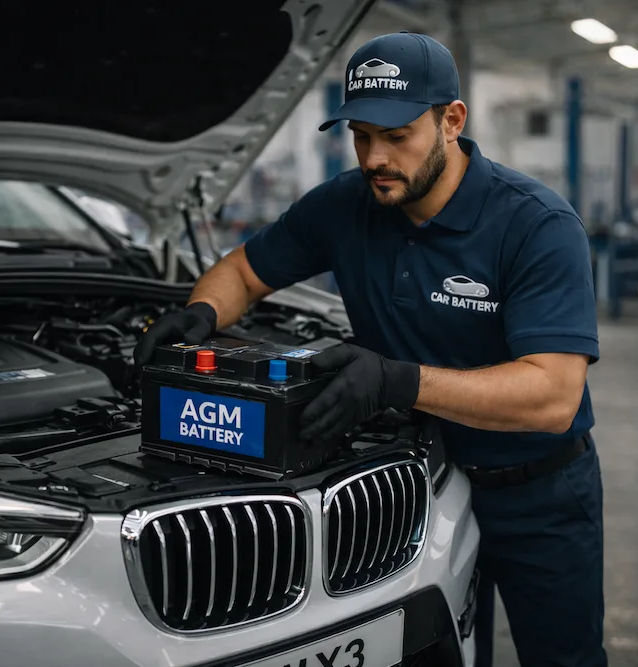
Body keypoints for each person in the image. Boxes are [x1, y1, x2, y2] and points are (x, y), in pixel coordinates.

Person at [134, 31, 605, 667]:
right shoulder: (345, 206)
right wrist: (200, 312)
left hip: (539, 494)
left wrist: (396, 381)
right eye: (361, 136)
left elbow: (553, 395)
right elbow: (244, 271)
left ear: (451, 121)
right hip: (428, 484)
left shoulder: (536, 226)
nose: (376, 157)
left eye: (397, 135)